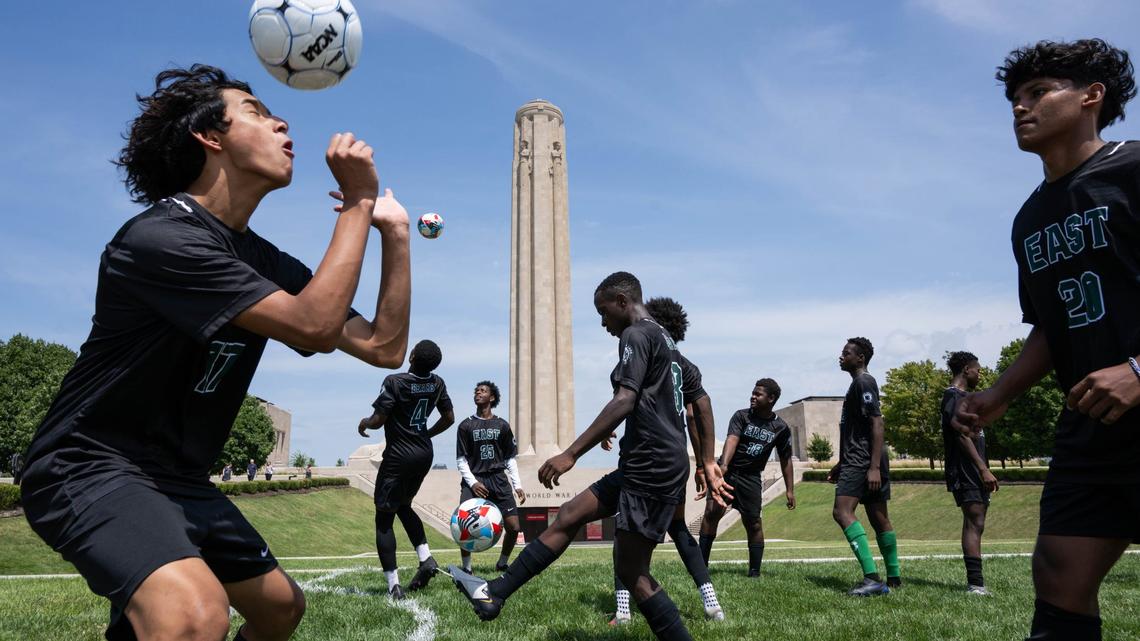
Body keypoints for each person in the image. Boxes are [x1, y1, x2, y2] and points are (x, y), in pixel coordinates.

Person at [18, 64, 412, 641]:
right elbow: (312, 326)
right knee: (194, 616)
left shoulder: (262, 259)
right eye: (255, 111)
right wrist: (356, 202)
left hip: (178, 476)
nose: (281, 122)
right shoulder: (162, 238)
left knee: (279, 610)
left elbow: (383, 348)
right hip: (89, 463)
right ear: (210, 137)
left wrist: (394, 234)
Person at [955, 39, 1140, 640]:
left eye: (1038, 93)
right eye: (1014, 98)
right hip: (1092, 422)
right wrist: (1000, 395)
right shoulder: (1029, 218)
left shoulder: (1134, 170)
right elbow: (1051, 324)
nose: (1019, 107)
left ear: (1091, 96)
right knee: (1060, 574)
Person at [451, 272, 730, 641]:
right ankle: (495, 594)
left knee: (633, 573)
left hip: (651, 464)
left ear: (621, 301)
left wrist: (570, 454)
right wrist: (706, 460)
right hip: (646, 462)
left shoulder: (635, 334)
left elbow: (625, 399)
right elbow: (702, 400)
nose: (602, 323)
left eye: (603, 312)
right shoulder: (665, 341)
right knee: (570, 514)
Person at [608, 296, 725, 624]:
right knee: (679, 529)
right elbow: (695, 413)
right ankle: (711, 601)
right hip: (676, 462)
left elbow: (622, 394)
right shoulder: (681, 365)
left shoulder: (646, 350)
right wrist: (703, 463)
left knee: (625, 533)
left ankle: (623, 609)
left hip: (644, 461)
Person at [358, 339, 455, 600]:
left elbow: (378, 421)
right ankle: (425, 558)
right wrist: (426, 434)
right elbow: (449, 417)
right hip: (423, 453)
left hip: (399, 455)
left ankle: (393, 585)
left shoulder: (395, 381)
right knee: (403, 505)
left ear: (412, 355)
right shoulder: (438, 382)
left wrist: (364, 422)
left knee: (383, 519)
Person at [699, 378, 795, 577]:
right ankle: (700, 567)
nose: (753, 396)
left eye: (758, 394)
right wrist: (723, 467)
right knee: (711, 513)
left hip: (751, 478)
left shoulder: (781, 428)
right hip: (728, 472)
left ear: (771, 398)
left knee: (754, 523)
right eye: (753, 392)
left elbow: (786, 460)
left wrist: (790, 490)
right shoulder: (741, 416)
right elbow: (732, 439)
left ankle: (754, 572)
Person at [827, 337, 901, 596]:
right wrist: (841, 462)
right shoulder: (858, 384)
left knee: (842, 512)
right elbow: (859, 430)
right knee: (879, 517)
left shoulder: (863, 382)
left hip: (864, 461)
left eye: (846, 353)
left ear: (860, 358)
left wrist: (872, 468)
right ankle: (894, 577)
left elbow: (877, 424)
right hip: (863, 458)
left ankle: (872, 578)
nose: (841, 356)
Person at [941, 351, 998, 595]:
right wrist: (983, 469)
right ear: (966, 369)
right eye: (977, 368)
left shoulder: (965, 397)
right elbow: (961, 435)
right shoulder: (953, 396)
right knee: (974, 521)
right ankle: (976, 584)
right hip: (966, 469)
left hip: (974, 468)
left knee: (977, 521)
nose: (980, 373)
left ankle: (976, 583)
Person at [455, 380, 526, 573]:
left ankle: (502, 563)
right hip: (475, 479)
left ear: (491, 397)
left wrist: (517, 484)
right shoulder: (465, 425)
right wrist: (473, 482)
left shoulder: (502, 425)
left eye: (483, 391)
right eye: (476, 390)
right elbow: (461, 459)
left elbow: (510, 458)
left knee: (513, 526)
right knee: (463, 524)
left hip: (498, 478)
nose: (478, 393)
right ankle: (467, 568)